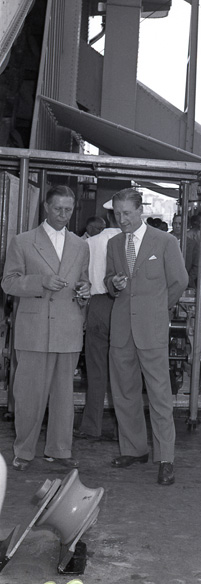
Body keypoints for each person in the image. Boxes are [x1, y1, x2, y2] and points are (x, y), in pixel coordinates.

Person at [2, 185, 90, 471]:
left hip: (68, 328)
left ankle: (59, 450)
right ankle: (24, 451)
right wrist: (40, 281)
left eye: (69, 209)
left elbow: (83, 280)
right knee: (29, 396)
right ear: (46, 207)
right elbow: (8, 282)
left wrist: (84, 290)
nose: (63, 214)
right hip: (34, 329)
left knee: (64, 397)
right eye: (58, 208)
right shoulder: (23, 241)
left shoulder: (81, 245)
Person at [105, 188, 188, 486]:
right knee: (124, 392)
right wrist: (113, 283)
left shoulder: (165, 241)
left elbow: (179, 281)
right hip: (121, 329)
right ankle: (133, 449)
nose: (122, 219)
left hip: (151, 329)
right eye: (117, 214)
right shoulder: (114, 243)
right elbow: (108, 280)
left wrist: (156, 309)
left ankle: (166, 458)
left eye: (127, 213)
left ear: (141, 210)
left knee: (159, 395)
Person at [74, 207, 121, 441]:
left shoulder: (90, 243)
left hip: (98, 306)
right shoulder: (130, 242)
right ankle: (124, 429)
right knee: (124, 372)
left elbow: (81, 278)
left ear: (107, 218)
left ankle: (91, 426)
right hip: (123, 307)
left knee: (95, 370)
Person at [171, 213, 199, 287]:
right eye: (175, 223)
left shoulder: (193, 244)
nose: (177, 226)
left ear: (186, 226)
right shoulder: (164, 240)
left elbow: (196, 266)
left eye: (180, 224)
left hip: (186, 284)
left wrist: (187, 280)